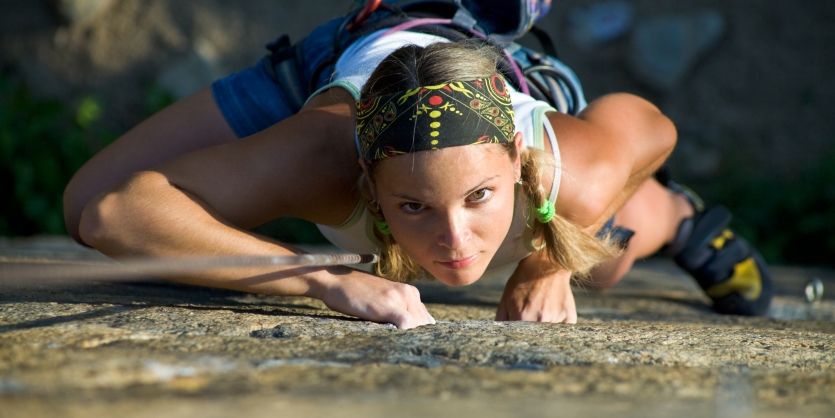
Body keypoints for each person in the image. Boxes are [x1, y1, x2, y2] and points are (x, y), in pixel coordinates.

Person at [63, 3, 772, 329]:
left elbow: (652, 127)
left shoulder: (566, 169)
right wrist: (319, 279)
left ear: (518, 159)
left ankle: (679, 220)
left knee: (601, 257)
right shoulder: (319, 159)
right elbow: (111, 211)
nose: (456, 243)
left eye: (478, 197)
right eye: (412, 208)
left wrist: (548, 265)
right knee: (86, 201)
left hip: (491, 72)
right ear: (366, 183)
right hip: (341, 58)